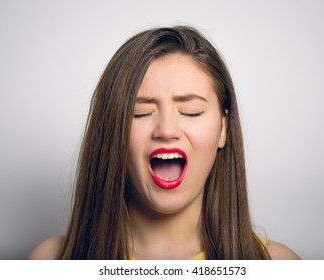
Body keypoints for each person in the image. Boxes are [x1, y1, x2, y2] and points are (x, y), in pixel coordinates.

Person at [28, 26, 300, 260]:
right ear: (112, 131)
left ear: (223, 128)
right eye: (141, 113)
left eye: (191, 111)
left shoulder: (277, 266)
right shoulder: (49, 263)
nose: (166, 130)